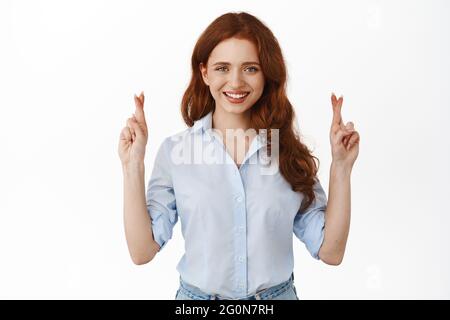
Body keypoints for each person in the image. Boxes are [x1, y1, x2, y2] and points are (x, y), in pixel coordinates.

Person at [118, 12, 360, 300]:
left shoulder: (288, 153)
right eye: (222, 68)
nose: (235, 82)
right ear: (205, 72)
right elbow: (141, 252)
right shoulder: (176, 153)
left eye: (250, 69)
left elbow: (330, 252)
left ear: (266, 74)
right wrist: (132, 165)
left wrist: (341, 168)